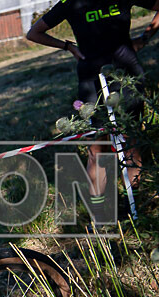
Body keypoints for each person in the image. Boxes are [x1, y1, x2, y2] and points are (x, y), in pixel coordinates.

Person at [26, 1, 159, 224]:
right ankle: (101, 214)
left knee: (131, 136)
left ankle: (134, 202)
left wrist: (143, 39)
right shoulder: (70, 3)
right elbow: (34, 33)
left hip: (127, 72)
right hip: (92, 78)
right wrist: (68, 46)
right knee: (97, 145)